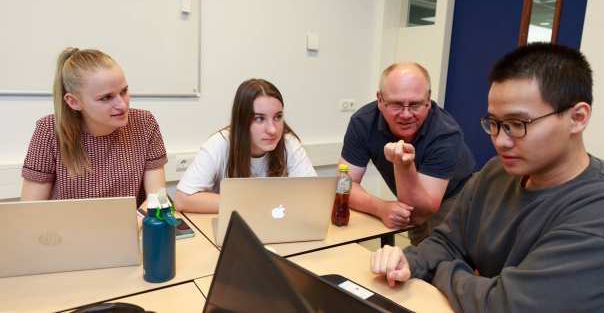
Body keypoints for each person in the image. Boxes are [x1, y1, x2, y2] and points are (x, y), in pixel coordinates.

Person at [370, 43, 604, 312]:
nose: (501, 141)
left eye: (517, 125)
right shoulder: (496, 172)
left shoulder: (594, 211)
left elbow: (506, 305)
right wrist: (411, 261)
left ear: (577, 117)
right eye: (494, 124)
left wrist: (441, 270)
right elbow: (446, 241)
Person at [21, 48, 167, 216]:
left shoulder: (144, 123)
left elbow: (158, 199)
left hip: (132, 230)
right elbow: (30, 212)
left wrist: (130, 227)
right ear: (74, 102)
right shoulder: (48, 131)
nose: (122, 104)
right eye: (106, 97)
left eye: (124, 91)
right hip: (69, 235)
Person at [340, 62, 475, 245]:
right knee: (417, 257)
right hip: (411, 199)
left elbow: (420, 214)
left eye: (415, 105)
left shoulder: (445, 133)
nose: (405, 114)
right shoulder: (363, 122)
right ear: (380, 99)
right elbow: (344, 185)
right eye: (396, 104)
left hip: (455, 197)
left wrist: (403, 166)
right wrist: (381, 208)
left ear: (428, 100)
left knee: (439, 261)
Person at [174, 78, 317, 213]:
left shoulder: (289, 143)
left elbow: (313, 195)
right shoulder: (220, 144)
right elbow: (182, 200)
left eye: (278, 117)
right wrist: (253, 203)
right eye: (259, 119)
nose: (272, 130)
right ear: (241, 121)